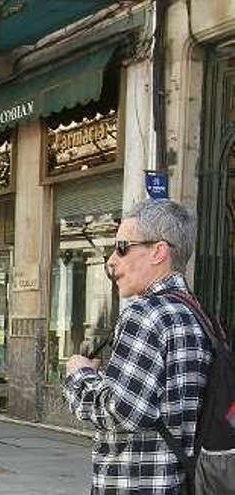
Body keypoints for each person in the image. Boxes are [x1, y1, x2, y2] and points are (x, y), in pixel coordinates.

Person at [62, 199, 212, 494]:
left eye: (122, 248)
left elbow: (123, 412)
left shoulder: (145, 314)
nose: (111, 261)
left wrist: (79, 376)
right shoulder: (196, 315)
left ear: (159, 251)